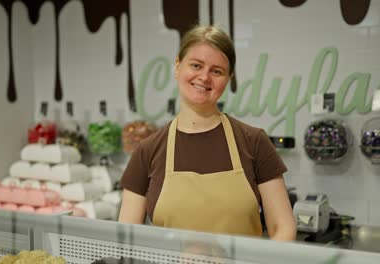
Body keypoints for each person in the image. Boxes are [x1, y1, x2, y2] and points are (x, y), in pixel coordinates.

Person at [118, 25, 296, 241]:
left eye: (216, 71)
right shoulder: (148, 150)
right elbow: (126, 240)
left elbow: (283, 228)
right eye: (196, 65)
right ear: (177, 66)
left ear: (228, 79)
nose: (204, 77)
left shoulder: (254, 142)